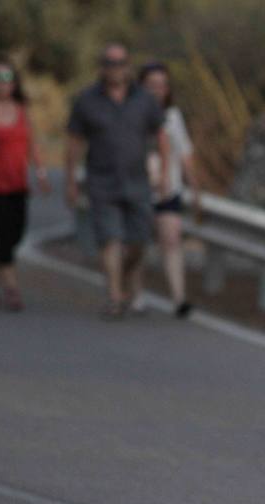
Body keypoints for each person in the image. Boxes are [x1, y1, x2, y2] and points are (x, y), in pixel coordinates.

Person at [65, 43, 169, 319]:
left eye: (120, 63)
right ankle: (114, 297)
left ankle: (121, 279)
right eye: (110, 63)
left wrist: (165, 174)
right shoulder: (86, 100)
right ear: (102, 67)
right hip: (102, 180)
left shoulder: (144, 100)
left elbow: (161, 136)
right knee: (109, 238)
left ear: (128, 66)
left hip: (138, 181)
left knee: (139, 241)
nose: (115, 69)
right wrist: (70, 181)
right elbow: (74, 142)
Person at [139, 62, 201, 318]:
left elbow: (185, 154)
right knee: (136, 245)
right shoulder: (130, 115)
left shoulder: (173, 117)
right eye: (152, 85)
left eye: (162, 86)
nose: (157, 91)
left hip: (169, 191)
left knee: (172, 240)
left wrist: (195, 188)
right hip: (137, 191)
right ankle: (135, 294)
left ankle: (179, 299)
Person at [0, 55, 49, 311]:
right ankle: (12, 288)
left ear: (14, 82)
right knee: (5, 237)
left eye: (8, 78)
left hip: (18, 184)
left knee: (16, 235)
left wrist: (40, 172)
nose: (3, 84)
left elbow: (32, 143)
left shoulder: (22, 110)